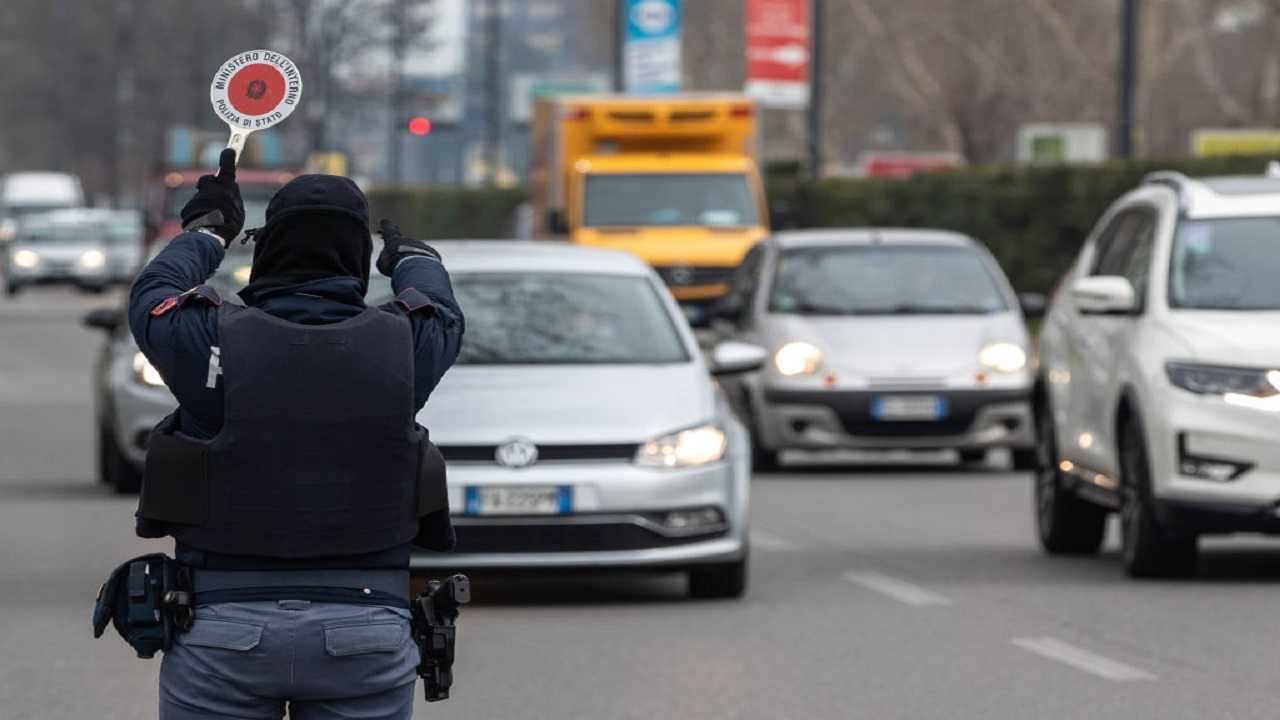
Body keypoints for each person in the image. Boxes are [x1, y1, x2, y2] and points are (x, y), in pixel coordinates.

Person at [128, 149, 463, 719]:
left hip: (222, 628)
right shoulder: (406, 344)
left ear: (268, 249)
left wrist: (208, 233)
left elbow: (152, 294)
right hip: (365, 628)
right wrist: (416, 258)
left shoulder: (205, 340)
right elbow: (444, 311)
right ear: (358, 255)